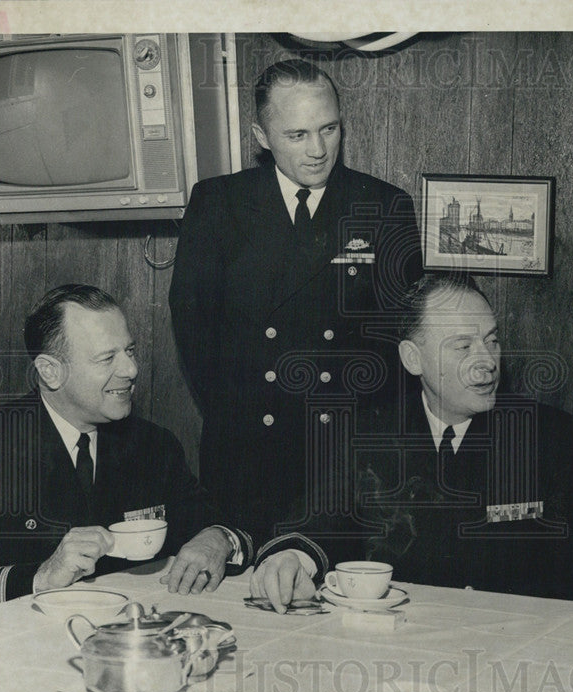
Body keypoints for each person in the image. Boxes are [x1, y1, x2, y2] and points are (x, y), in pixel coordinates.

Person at [249, 274, 573, 610]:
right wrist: (294, 557)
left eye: (492, 340)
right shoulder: (368, 434)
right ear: (413, 359)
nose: (487, 360)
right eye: (463, 346)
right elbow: (316, 520)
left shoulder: (547, 436)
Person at [169, 58, 423, 536]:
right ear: (262, 136)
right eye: (298, 135)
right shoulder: (218, 203)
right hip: (247, 454)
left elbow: (401, 340)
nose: (319, 150)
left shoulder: (384, 206)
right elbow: (193, 329)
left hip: (344, 458)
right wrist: (238, 412)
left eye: (329, 129)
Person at [0, 285, 257, 609]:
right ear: (50, 371)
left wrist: (218, 539)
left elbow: (221, 527)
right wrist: (41, 576)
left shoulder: (153, 446)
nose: (130, 370)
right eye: (107, 358)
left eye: (129, 351)